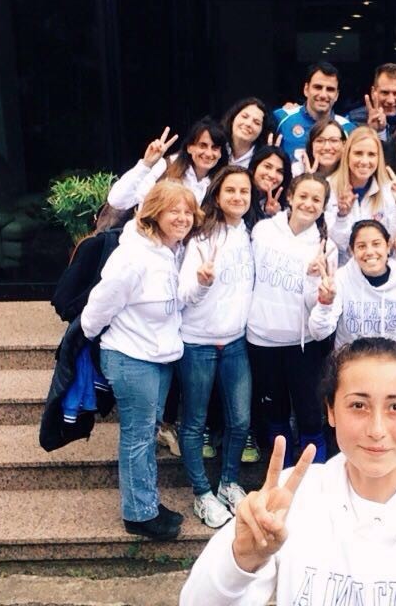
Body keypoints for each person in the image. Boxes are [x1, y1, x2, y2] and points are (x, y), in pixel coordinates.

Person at [179, 338, 396, 605]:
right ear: (331, 410)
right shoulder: (292, 499)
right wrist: (240, 560)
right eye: (358, 405)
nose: (377, 430)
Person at [81, 181, 203, 540]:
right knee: (138, 436)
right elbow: (98, 307)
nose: (182, 218)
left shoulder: (169, 251)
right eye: (173, 210)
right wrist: (90, 338)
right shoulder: (133, 257)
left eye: (187, 211)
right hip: (131, 357)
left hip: (158, 355)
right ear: (154, 213)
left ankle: (146, 502)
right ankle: (139, 515)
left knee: (147, 433)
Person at [177, 166, 255, 528]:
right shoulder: (199, 238)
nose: (238, 197)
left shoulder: (249, 234)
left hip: (236, 342)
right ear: (217, 195)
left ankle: (228, 483)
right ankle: (202, 493)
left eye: (244, 191)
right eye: (231, 191)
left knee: (240, 420)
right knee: (194, 423)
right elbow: (183, 295)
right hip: (198, 343)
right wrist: (202, 282)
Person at [246, 173, 337, 466]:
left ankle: (314, 477)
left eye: (316, 199)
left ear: (324, 206)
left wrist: (313, 280)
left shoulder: (326, 247)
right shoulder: (263, 231)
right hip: (262, 340)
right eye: (303, 196)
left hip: (303, 345)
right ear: (290, 197)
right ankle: (282, 475)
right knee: (275, 414)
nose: (308, 204)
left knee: (310, 415)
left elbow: (318, 304)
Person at [308, 219, 396, 351]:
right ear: (352, 251)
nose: (369, 252)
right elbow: (319, 333)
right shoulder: (341, 279)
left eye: (376, 244)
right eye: (361, 246)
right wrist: (325, 303)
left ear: (388, 246)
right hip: (351, 360)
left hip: (392, 361)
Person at [326, 126, 396, 264]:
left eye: (371, 154)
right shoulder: (329, 188)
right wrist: (342, 216)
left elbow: (393, 240)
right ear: (347, 154)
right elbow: (337, 246)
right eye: (358, 153)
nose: (365, 161)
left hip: (379, 267)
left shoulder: (389, 189)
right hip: (343, 270)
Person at [107, 118, 227, 210]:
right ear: (190, 147)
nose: (209, 153)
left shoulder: (220, 182)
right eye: (202, 146)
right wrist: (146, 164)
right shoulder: (165, 167)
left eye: (215, 148)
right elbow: (117, 201)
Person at [274, 62, 355, 163]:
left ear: (337, 95)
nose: (323, 95)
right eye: (318, 87)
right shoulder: (280, 118)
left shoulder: (349, 129)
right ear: (306, 89)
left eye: (330, 89)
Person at [222, 98, 275, 168]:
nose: (248, 124)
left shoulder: (262, 160)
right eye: (244, 117)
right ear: (233, 118)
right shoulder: (216, 147)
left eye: (256, 123)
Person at [248, 145, 293, 224]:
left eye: (280, 171)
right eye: (267, 167)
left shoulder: (284, 207)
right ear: (255, 166)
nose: (272, 175)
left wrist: (274, 216)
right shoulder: (239, 193)